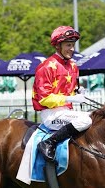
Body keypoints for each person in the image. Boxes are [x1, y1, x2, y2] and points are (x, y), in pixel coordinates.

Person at [32, 25, 92, 163]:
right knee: (86, 120)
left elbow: (72, 87)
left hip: (67, 111)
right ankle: (49, 142)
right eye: (68, 45)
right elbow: (44, 98)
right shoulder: (46, 66)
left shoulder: (73, 65)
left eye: (73, 45)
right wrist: (72, 98)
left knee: (96, 116)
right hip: (51, 114)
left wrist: (79, 91)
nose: (72, 49)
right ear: (58, 46)